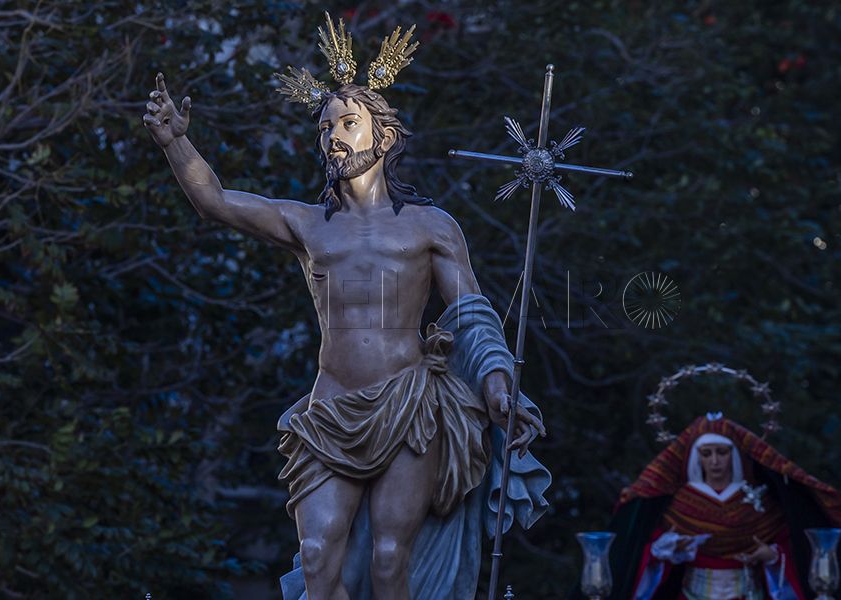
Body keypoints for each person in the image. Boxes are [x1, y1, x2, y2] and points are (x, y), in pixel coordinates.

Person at [141, 13, 550, 600]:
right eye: (326, 125)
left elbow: (472, 312)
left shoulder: (430, 226)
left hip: (410, 406)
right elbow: (217, 202)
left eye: (347, 122)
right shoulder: (308, 225)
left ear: (382, 138)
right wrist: (175, 141)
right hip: (331, 406)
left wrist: (497, 379)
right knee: (317, 556)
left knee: (389, 561)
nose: (333, 134)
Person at [603, 414, 841, 600]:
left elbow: (792, 543)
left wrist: (771, 555)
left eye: (722, 453)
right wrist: (664, 550)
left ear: (734, 456)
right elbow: (641, 551)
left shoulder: (760, 504)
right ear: (695, 457)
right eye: (706, 454)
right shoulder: (679, 503)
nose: (714, 461)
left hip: (748, 591)